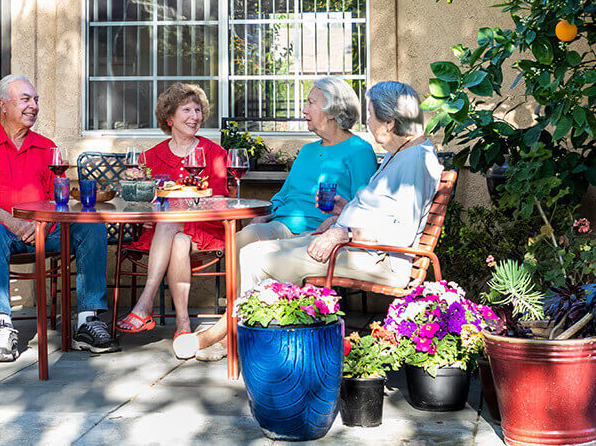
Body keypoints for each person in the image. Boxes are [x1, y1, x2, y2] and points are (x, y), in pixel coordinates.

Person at [174, 80, 442, 360]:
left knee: (255, 258)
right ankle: (237, 333)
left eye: (372, 115)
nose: (369, 122)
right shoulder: (401, 155)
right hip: (353, 247)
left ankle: (228, 335)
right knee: (250, 248)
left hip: (372, 257)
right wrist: (343, 213)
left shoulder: (413, 161)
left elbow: (397, 235)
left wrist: (344, 233)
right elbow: (381, 210)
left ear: (389, 123)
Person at [0, 74, 117, 363]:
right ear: (3, 105)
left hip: (47, 232)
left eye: (36, 100)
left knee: (91, 224)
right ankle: (3, 327)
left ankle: (87, 323)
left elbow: (60, 197)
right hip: (3, 233)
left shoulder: (46, 147)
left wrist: (43, 222)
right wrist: (14, 222)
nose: (34, 106)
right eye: (26, 100)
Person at [116, 83, 227, 340]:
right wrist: (136, 185)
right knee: (176, 238)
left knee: (169, 222)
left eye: (198, 110)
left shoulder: (213, 153)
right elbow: (139, 202)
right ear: (170, 118)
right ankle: (183, 324)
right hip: (164, 236)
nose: (195, 116)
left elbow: (220, 200)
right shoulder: (151, 157)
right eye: (186, 110)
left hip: (204, 229)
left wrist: (182, 203)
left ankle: (144, 305)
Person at [235, 76, 377, 248]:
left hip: (318, 233)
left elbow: (363, 207)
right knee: (241, 238)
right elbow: (282, 196)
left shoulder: (359, 150)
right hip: (282, 226)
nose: (304, 110)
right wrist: (264, 215)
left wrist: (339, 221)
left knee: (263, 252)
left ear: (332, 111)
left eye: (311, 103)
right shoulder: (307, 151)